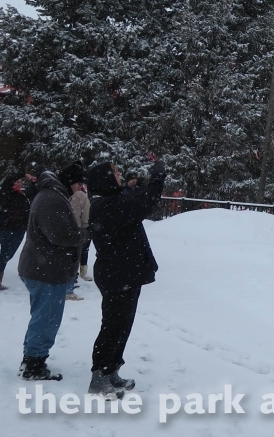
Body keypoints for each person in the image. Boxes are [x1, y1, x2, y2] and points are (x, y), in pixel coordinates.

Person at [86, 159, 166, 399]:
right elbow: (145, 203)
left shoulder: (114, 201)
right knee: (112, 326)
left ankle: (112, 370)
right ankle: (99, 375)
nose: (119, 176)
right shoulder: (106, 205)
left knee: (122, 326)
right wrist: (157, 177)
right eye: (115, 173)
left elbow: (136, 203)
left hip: (125, 273)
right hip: (116, 274)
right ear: (105, 179)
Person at [16, 166, 83, 381]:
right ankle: (33, 364)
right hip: (46, 270)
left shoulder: (51, 194)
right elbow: (59, 235)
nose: (80, 187)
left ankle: (33, 358)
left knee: (43, 316)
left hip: (43, 267)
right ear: (69, 181)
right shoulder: (52, 198)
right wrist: (84, 235)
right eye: (78, 183)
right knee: (47, 318)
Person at [59, 162, 88, 300]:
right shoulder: (79, 195)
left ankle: (65, 287)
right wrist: (84, 230)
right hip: (74, 232)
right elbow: (85, 215)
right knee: (71, 261)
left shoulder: (59, 193)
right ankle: (68, 289)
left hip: (70, 232)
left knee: (69, 260)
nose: (78, 186)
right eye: (77, 182)